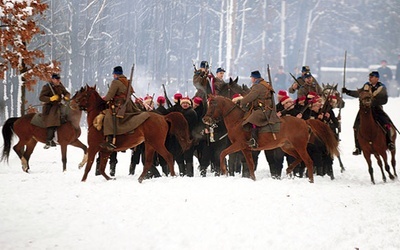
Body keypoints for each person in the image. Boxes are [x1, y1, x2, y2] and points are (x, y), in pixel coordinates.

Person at [342, 71, 395, 155]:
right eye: (369, 77)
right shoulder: (366, 86)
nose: (370, 78)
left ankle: (389, 142)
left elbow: (384, 100)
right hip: (365, 111)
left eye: (372, 77)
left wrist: (372, 103)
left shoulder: (382, 88)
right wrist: (348, 91)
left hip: (377, 109)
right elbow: (359, 94)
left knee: (386, 124)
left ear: (377, 78)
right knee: (356, 126)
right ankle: (358, 147)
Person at [234, 70, 280, 148]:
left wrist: (241, 101)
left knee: (252, 118)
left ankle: (254, 140)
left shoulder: (258, 86)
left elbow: (251, 96)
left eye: (251, 78)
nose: (251, 79)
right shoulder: (263, 84)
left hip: (263, 109)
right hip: (263, 107)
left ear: (254, 78)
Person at [101, 66, 137, 151]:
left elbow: (109, 96)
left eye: (114, 74)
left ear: (116, 74)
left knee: (108, 117)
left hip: (119, 105)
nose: (113, 76)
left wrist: (102, 100)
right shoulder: (127, 82)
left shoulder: (116, 82)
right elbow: (131, 92)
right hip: (129, 105)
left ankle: (110, 140)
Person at [39, 73, 71, 149]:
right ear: (53, 79)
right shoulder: (47, 87)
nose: (58, 80)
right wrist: (50, 99)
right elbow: (41, 97)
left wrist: (66, 97)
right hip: (50, 107)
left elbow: (66, 93)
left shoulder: (60, 85)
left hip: (59, 105)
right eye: (57, 79)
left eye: (59, 79)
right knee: (53, 119)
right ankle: (49, 140)